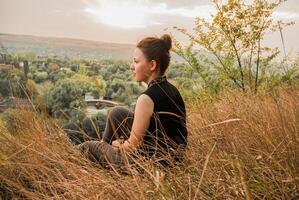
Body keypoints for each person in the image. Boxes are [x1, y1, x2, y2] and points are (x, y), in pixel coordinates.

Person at [78, 34, 188, 170]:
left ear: (152, 65)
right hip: (171, 159)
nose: (132, 66)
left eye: (136, 62)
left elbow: (132, 147)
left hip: (148, 166)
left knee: (87, 147)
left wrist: (117, 145)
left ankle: (102, 158)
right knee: (117, 113)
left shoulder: (146, 98)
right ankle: (105, 163)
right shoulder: (172, 90)